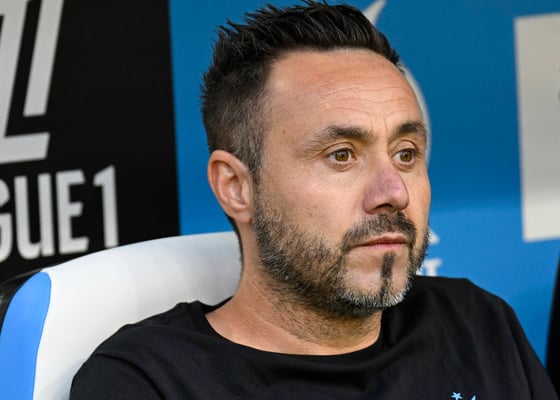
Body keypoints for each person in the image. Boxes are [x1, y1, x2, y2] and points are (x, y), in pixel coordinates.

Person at [70, 1, 558, 398]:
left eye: (406, 154)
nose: (394, 192)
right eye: (341, 155)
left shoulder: (477, 323)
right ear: (236, 187)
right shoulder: (147, 382)